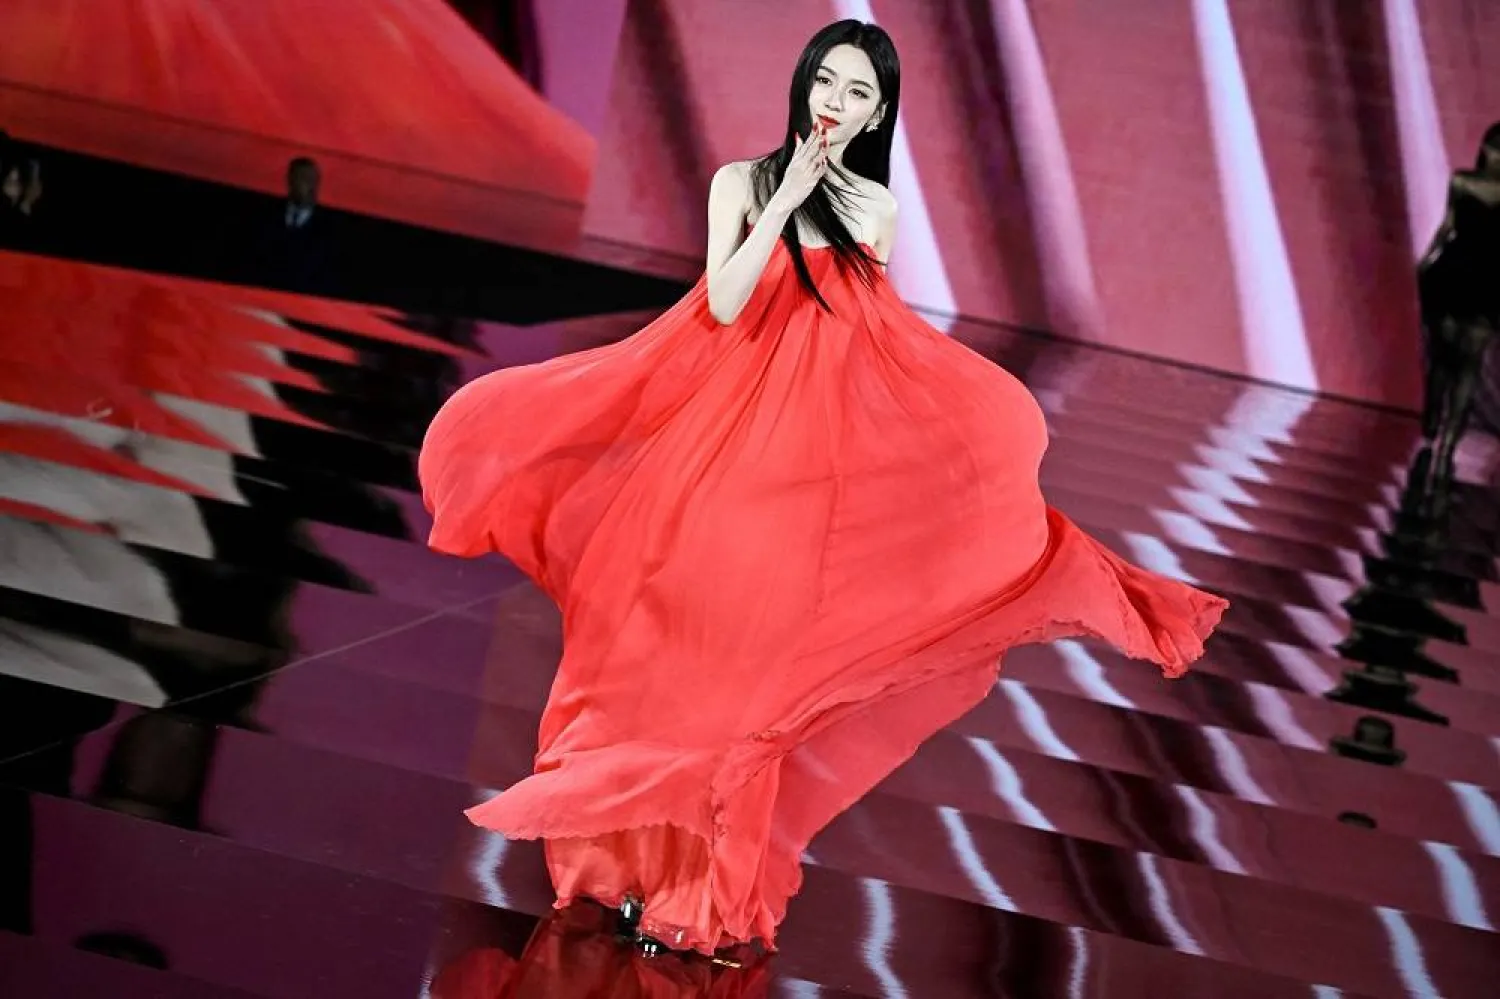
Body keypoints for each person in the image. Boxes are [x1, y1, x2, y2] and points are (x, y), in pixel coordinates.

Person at [419, 19, 1227, 958]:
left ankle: (699, 896)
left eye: (857, 95)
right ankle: (616, 873)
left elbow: (864, 346)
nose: (834, 104)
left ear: (880, 112)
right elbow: (723, 302)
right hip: (712, 455)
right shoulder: (739, 181)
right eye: (825, 83)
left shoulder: (874, 209)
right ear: (804, 82)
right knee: (662, 663)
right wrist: (785, 199)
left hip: (796, 478)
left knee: (752, 691)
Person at [1416, 122, 1500, 496]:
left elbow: (1447, 228)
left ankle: (1444, 431)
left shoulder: (1464, 182)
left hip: (1469, 274)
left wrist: (1428, 260)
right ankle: (1440, 425)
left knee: (1458, 361)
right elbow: (1446, 227)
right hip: (1467, 274)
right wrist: (1427, 260)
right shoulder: (1462, 181)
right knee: (1455, 360)